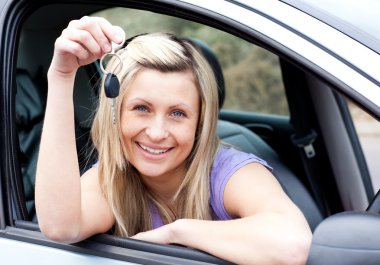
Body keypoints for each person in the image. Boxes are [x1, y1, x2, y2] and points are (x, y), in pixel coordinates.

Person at [35, 16, 312, 265]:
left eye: (177, 113)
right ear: (116, 115)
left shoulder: (228, 172)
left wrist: (177, 233)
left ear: (199, 124)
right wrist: (61, 76)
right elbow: (61, 227)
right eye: (141, 108)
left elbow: (292, 246)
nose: (156, 132)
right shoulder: (112, 179)